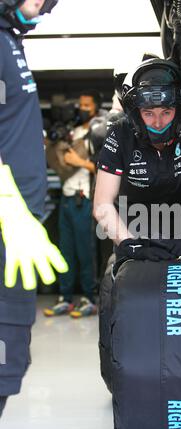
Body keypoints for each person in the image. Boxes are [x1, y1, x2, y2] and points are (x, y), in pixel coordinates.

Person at [0, 0, 67, 418]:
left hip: (17, 233)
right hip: (9, 224)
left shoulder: (9, 40)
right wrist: (10, 207)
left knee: (8, 360)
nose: (39, 6)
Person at [93, 58, 181, 264]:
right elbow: (102, 203)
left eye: (166, 112)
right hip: (131, 230)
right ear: (136, 113)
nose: (158, 122)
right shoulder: (119, 132)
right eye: (148, 113)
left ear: (179, 111)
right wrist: (129, 245)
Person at [44, 91, 105, 319]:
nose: (81, 108)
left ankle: (89, 298)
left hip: (84, 199)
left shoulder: (98, 133)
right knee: (65, 251)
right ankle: (65, 298)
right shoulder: (71, 132)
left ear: (96, 109)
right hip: (67, 199)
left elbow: (106, 168)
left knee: (85, 252)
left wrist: (80, 162)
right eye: (79, 104)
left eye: (86, 105)